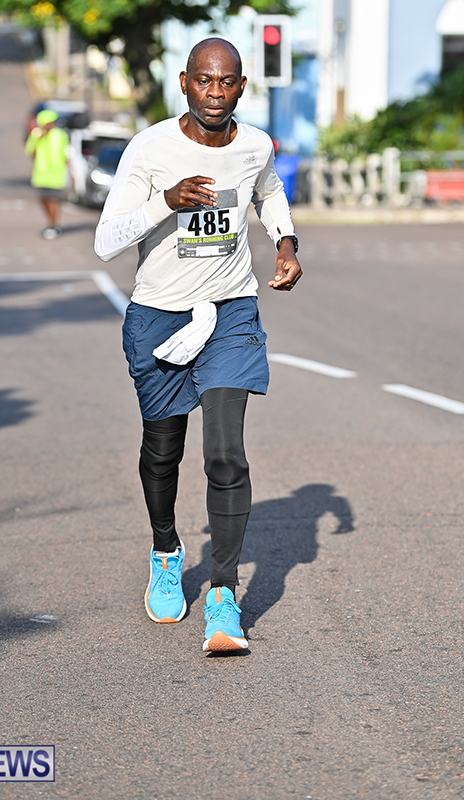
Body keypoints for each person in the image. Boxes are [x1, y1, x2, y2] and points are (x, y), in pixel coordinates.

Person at [95, 38, 302, 652]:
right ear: (184, 82)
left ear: (241, 87)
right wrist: (167, 201)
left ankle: (222, 596)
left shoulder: (256, 144)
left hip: (229, 312)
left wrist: (286, 242)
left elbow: (268, 190)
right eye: (205, 82)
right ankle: (165, 549)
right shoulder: (150, 148)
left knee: (226, 453)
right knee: (163, 452)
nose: (215, 94)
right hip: (159, 317)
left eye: (227, 82)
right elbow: (107, 240)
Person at [25, 109, 70, 239]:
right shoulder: (36, 134)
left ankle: (54, 225)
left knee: (53, 199)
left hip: (56, 174)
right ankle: (50, 222)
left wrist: (69, 173)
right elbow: (30, 152)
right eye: (49, 122)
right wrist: (38, 139)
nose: (51, 125)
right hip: (41, 174)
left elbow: (66, 154)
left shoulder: (60, 134)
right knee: (43, 199)